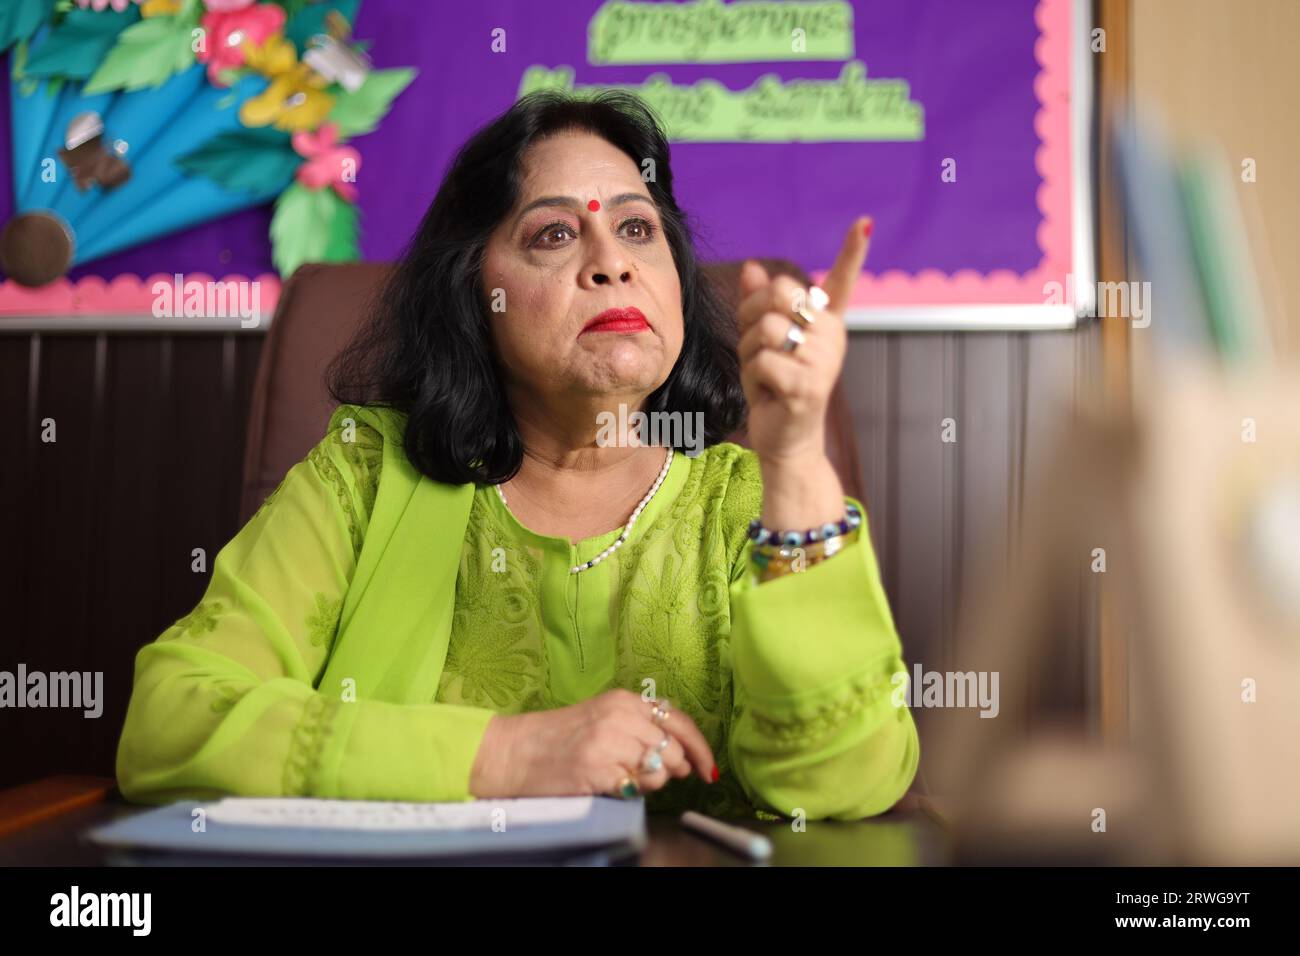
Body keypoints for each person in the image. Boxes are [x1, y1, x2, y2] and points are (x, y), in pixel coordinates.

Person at [116, 90, 920, 821]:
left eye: (637, 228)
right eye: (556, 233)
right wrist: (508, 755)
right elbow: (171, 723)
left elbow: (840, 783)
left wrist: (797, 462)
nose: (612, 262)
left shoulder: (749, 506)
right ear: (476, 292)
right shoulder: (362, 477)